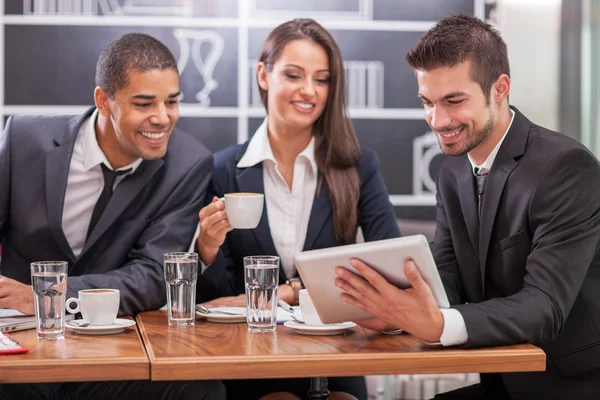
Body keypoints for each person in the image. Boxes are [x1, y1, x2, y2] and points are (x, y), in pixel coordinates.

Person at [334, 13, 600, 400]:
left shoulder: (566, 169)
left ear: (500, 88)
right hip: (503, 378)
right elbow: (448, 278)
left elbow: (544, 306)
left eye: (453, 101)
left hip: (568, 383)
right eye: (427, 102)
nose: (437, 120)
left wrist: (437, 323)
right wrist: (394, 314)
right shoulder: (453, 171)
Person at [0, 33, 225, 399]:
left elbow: (154, 275)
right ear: (103, 101)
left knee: (201, 390)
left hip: (110, 353)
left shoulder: (188, 163)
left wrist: (47, 296)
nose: (163, 118)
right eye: (144, 103)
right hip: (17, 347)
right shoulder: (25, 137)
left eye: (172, 102)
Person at [195, 18, 401, 400]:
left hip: (336, 356)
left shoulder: (358, 167)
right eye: (293, 75)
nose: (309, 91)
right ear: (263, 75)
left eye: (321, 79)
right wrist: (206, 249)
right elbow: (220, 299)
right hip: (251, 358)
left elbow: (390, 269)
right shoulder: (222, 170)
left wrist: (288, 293)